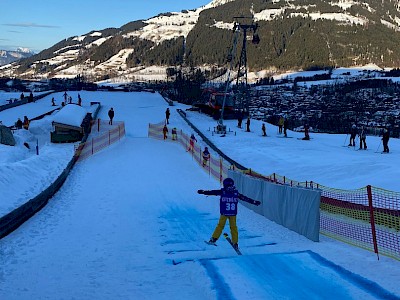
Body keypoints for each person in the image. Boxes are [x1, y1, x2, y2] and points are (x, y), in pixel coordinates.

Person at [198, 177, 261, 251]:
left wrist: (203, 192)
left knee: (220, 226)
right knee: (233, 228)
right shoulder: (235, 193)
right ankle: (235, 243)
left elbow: (212, 192)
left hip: (224, 213)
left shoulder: (223, 192)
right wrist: (254, 202)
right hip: (233, 213)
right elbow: (245, 198)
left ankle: (214, 239)